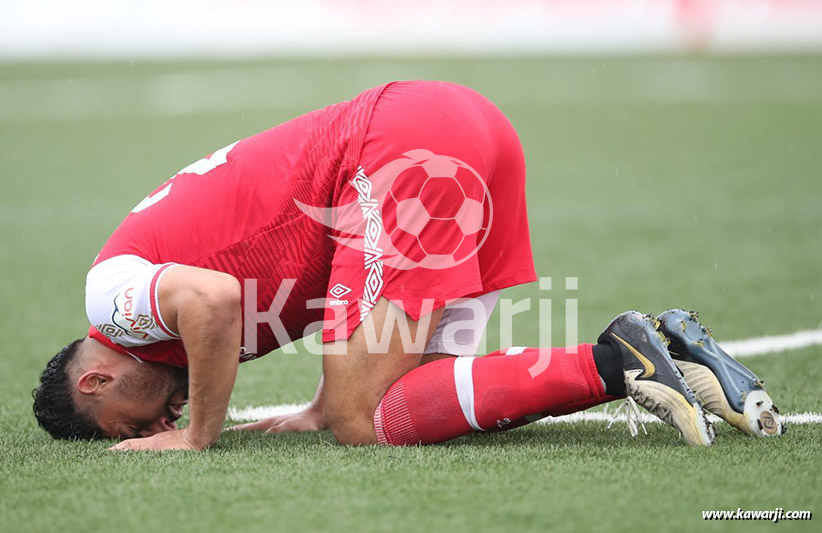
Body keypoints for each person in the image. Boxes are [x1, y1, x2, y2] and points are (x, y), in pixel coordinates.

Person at [32, 81, 782, 451]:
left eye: (129, 425)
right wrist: (323, 401)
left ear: (96, 379)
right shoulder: (145, 316)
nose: (152, 423)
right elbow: (335, 275)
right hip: (463, 131)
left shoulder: (110, 302)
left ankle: (624, 357)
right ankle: (643, 353)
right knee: (401, 409)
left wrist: (195, 434)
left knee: (362, 423)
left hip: (398, 146)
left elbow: (216, 299)